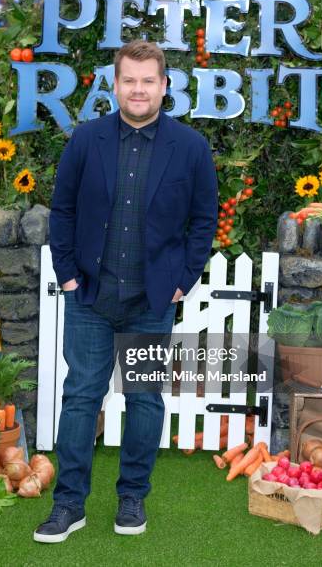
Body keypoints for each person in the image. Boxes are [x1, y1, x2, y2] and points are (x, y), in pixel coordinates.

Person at [34, 40, 217, 543]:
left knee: (144, 400)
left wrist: (184, 279)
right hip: (91, 296)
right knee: (80, 398)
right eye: (129, 80)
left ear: (164, 85)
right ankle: (68, 505)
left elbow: (203, 222)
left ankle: (132, 496)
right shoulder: (86, 140)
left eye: (147, 80)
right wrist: (69, 275)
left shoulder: (191, 148)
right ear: (114, 85)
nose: (138, 89)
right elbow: (63, 210)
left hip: (152, 300)